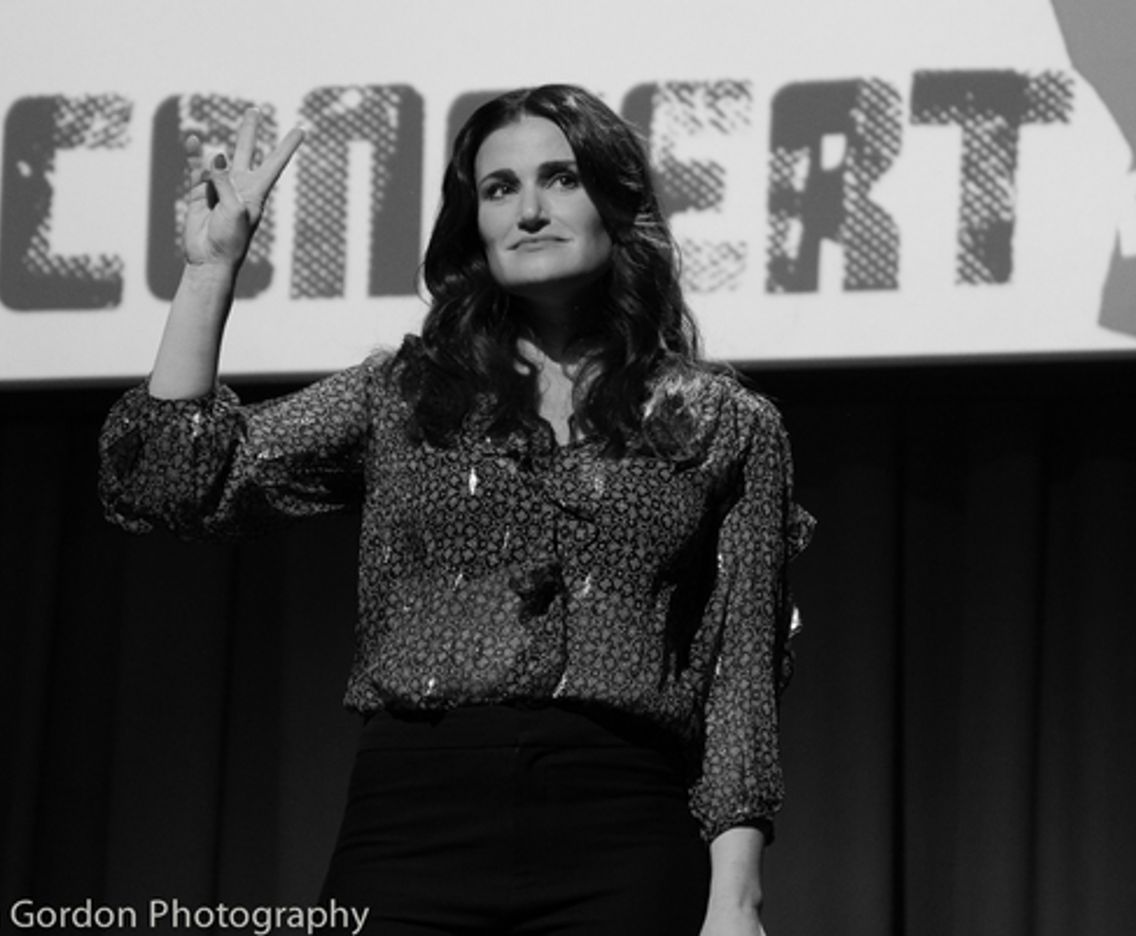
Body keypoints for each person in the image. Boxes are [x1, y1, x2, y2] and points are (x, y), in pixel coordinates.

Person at [99, 84, 813, 936]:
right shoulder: (403, 396)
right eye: (501, 189)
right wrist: (210, 272)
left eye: (562, 179)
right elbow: (171, 484)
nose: (531, 210)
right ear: (472, 221)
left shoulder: (724, 424)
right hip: (412, 827)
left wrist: (736, 902)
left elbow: (739, 681)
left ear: (617, 205)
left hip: (622, 829)